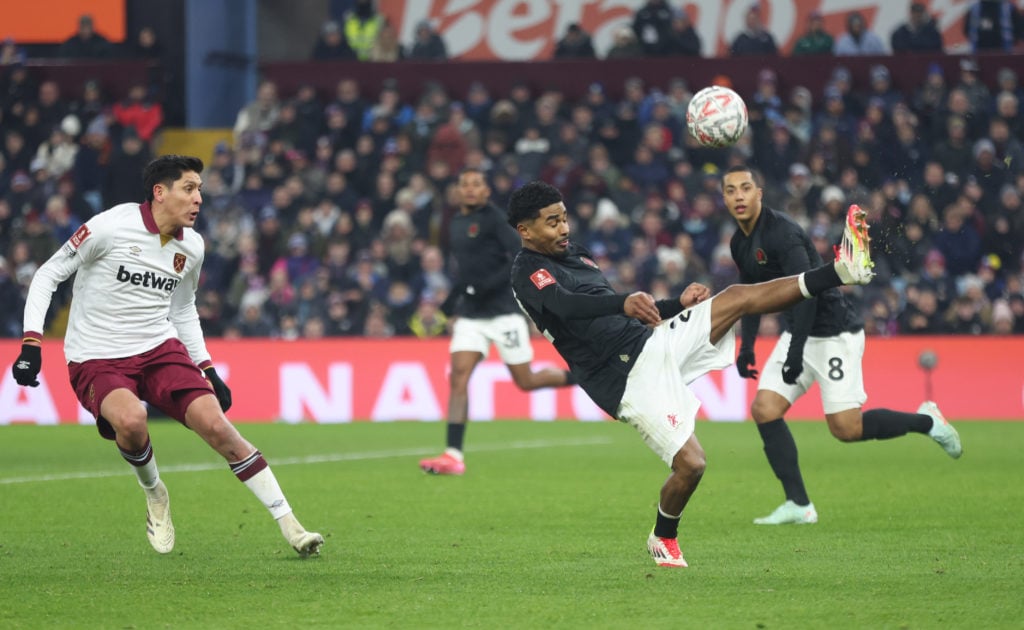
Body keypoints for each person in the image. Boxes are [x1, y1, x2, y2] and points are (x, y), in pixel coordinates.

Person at [507, 179, 875, 568]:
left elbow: (628, 311)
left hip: (650, 343)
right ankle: (663, 536)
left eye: (564, 219)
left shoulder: (576, 255)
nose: (564, 229)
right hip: (624, 379)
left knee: (735, 297)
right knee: (692, 465)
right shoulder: (528, 270)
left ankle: (841, 270)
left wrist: (674, 304)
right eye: (552, 223)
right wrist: (624, 302)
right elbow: (565, 305)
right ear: (526, 231)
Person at [10, 155, 323, 557]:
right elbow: (47, 275)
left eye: (200, 191)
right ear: (160, 192)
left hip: (160, 348)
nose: (198, 200)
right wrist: (32, 342)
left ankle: (292, 527)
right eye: (189, 189)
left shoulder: (192, 247)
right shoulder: (109, 227)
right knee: (132, 420)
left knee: (219, 427)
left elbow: (182, 309)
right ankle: (154, 490)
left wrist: (208, 366)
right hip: (97, 355)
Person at [722, 165, 962, 525]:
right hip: (798, 333)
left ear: (760, 193)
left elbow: (809, 295)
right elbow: (752, 296)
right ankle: (799, 504)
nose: (738, 195)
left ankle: (927, 421)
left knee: (846, 429)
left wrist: (796, 351)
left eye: (745, 188)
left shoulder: (783, 234)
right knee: (765, 409)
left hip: (834, 332)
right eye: (730, 190)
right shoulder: (740, 243)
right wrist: (747, 346)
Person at [418, 168, 576, 476]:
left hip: (503, 312)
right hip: (472, 316)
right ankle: (453, 455)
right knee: (458, 378)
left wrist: (484, 286)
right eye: (465, 184)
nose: (470, 189)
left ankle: (580, 377)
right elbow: (465, 272)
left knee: (525, 381)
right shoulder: (456, 222)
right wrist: (451, 303)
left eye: (477, 184)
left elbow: (518, 255)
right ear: (458, 190)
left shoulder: (494, 219)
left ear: (486, 190)